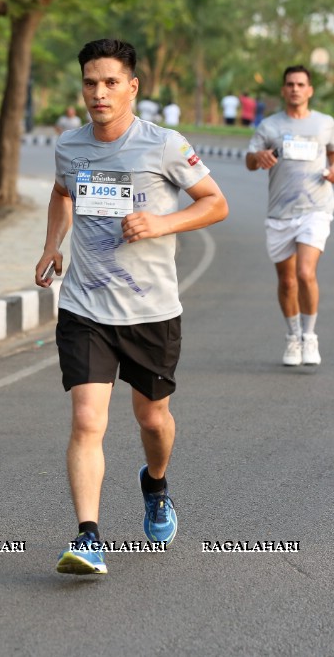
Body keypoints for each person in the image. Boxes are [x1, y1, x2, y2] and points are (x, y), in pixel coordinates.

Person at [35, 38, 228, 575]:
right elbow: (60, 192)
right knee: (86, 420)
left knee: (153, 419)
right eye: (91, 83)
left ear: (132, 87)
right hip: (85, 308)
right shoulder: (70, 146)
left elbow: (216, 203)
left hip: (150, 312)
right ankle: (88, 536)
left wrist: (163, 223)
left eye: (111, 82)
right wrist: (54, 243)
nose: (99, 93)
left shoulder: (164, 145)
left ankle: (156, 484)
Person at [245, 64, 334, 367]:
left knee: (305, 273)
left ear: (310, 90)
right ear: (283, 90)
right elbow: (249, 160)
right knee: (287, 281)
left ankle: (310, 336)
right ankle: (292, 337)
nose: (295, 89)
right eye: (290, 84)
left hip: (316, 208)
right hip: (280, 213)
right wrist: (258, 157)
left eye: (301, 84)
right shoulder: (269, 127)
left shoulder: (324, 123)